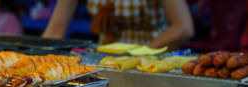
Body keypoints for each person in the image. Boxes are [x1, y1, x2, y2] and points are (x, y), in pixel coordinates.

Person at [42, 0, 194, 48]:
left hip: (151, 59)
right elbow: (54, 32)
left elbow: (182, 28)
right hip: (106, 60)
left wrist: (138, 56)